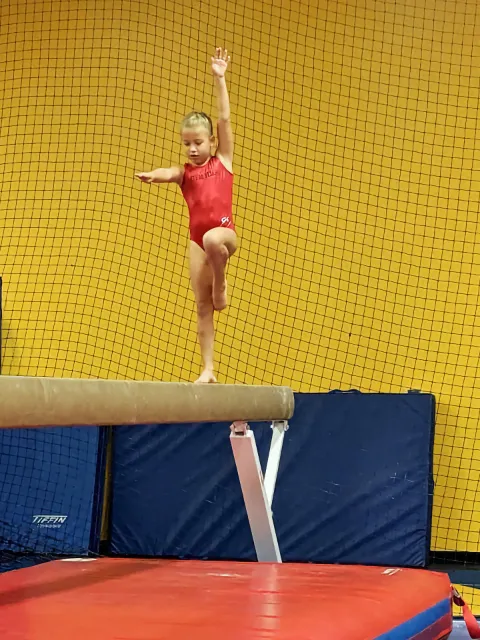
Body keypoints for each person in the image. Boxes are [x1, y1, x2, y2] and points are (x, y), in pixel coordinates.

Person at [136, 48, 237, 384]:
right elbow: (170, 171)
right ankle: (208, 368)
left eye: (197, 143)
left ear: (211, 141)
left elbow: (223, 118)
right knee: (202, 306)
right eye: (186, 144)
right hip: (198, 243)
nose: (192, 149)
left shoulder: (223, 160)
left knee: (212, 239)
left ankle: (222, 281)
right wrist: (154, 175)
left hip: (223, 235)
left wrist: (219, 78)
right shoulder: (185, 173)